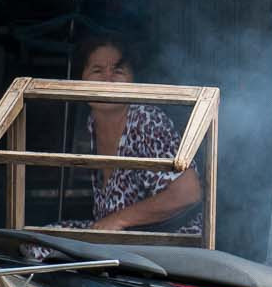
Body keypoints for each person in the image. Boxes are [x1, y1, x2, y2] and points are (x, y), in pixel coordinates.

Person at [71, 34, 204, 235]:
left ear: (133, 79)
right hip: (119, 242)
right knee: (36, 243)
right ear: (79, 81)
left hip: (168, 241)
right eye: (97, 71)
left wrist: (119, 219)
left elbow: (188, 193)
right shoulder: (92, 124)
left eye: (118, 70)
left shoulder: (145, 120)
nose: (108, 79)